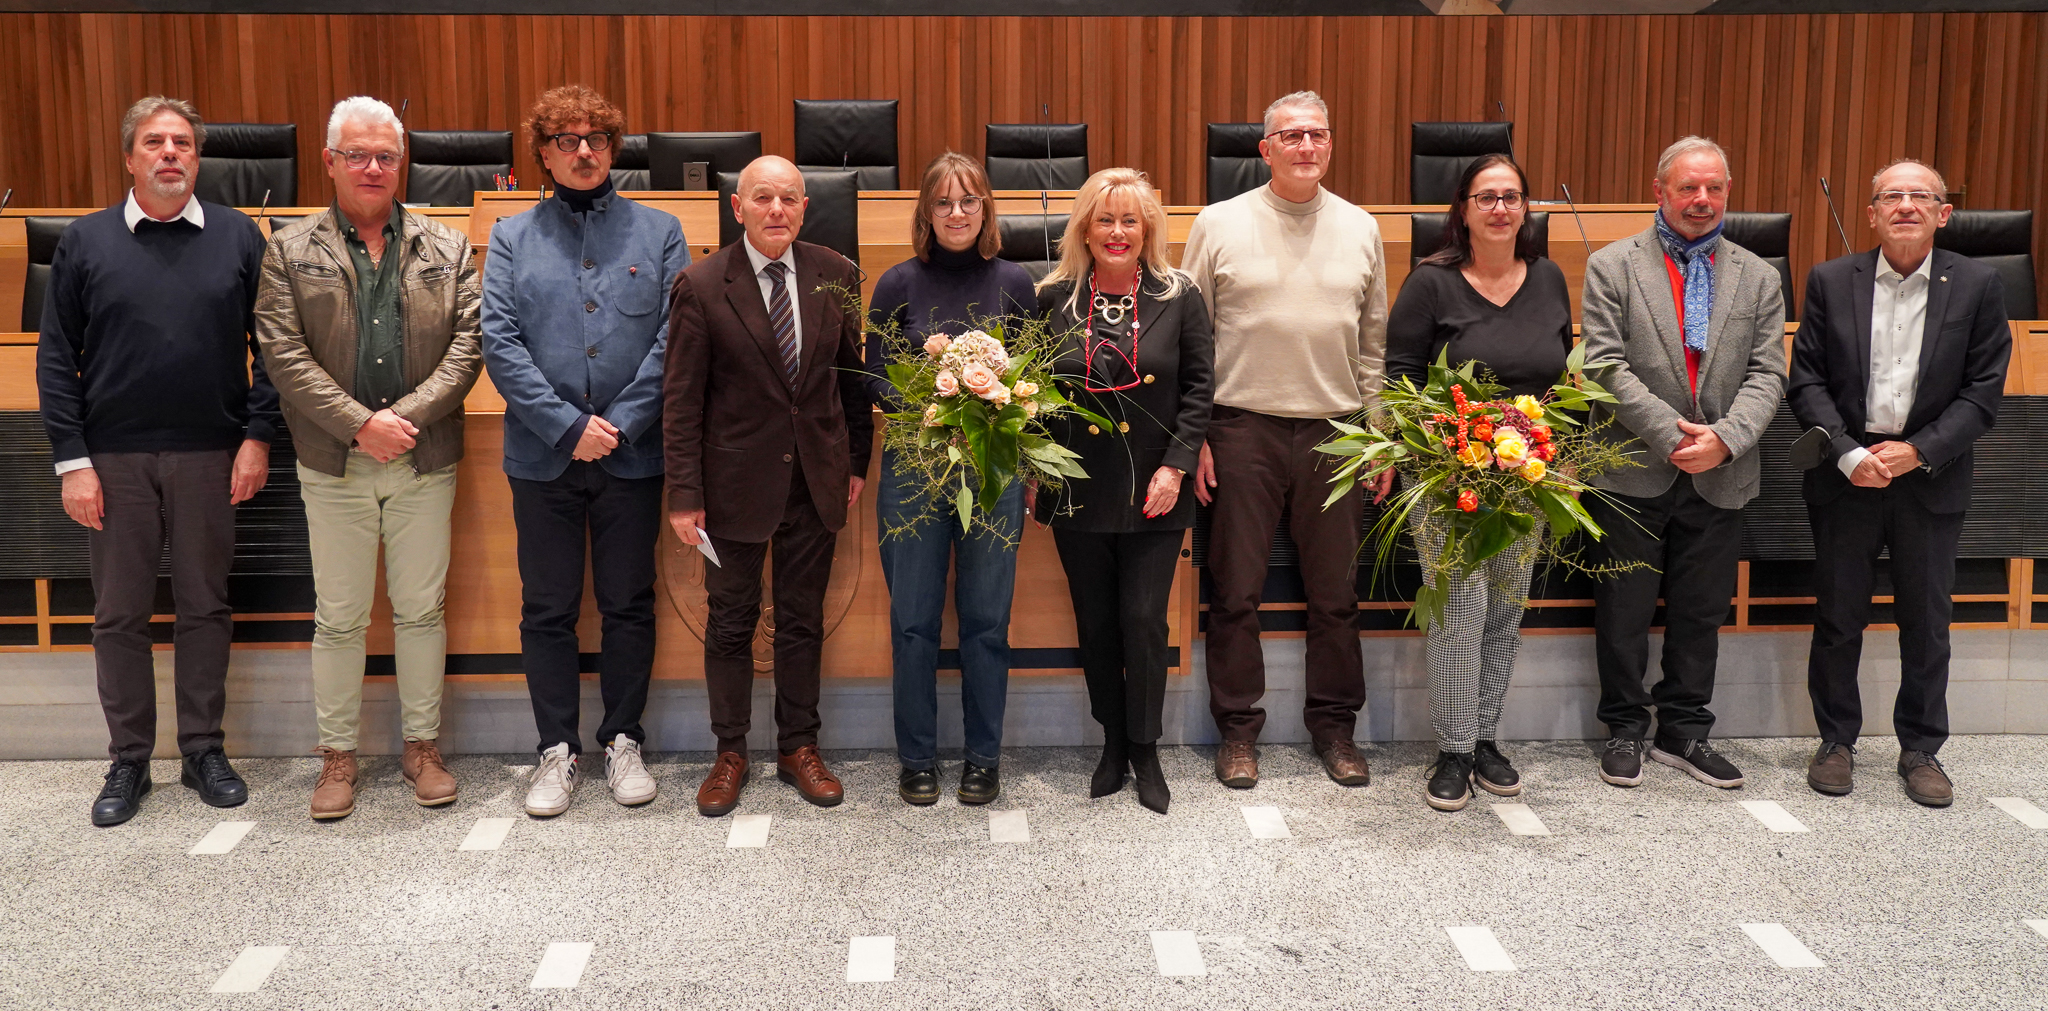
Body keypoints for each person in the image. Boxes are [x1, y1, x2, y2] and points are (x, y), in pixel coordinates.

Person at [38, 95, 276, 827]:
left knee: (205, 605)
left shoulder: (239, 237)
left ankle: (204, 747)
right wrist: (72, 461)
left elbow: (272, 351)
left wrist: (257, 436)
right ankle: (129, 758)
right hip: (113, 460)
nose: (170, 152)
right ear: (130, 156)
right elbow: (54, 359)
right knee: (118, 616)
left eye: (182, 143)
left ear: (198, 158)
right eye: (154, 142)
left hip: (213, 453)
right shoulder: (84, 242)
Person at [255, 97, 482, 820]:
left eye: (386, 154)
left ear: (402, 159)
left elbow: (467, 351)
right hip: (332, 460)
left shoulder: (449, 248)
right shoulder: (288, 249)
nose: (374, 167)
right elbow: (282, 355)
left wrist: (400, 422)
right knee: (340, 615)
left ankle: (422, 747)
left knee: (421, 610)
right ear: (331, 162)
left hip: (423, 456)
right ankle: (338, 757)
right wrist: (359, 425)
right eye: (358, 155)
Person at [482, 85, 691, 817]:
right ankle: (556, 749)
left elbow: (674, 342)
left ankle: (624, 737)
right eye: (566, 140)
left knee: (630, 603)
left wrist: (619, 424)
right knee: (547, 607)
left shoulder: (660, 232)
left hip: (632, 456)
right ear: (541, 151)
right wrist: (568, 428)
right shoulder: (510, 235)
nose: (582, 151)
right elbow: (499, 344)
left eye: (596, 139)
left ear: (613, 148)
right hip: (542, 458)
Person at [1180, 90, 1389, 791]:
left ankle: (1335, 729)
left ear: (1331, 145)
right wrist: (1199, 434)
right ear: (1264, 148)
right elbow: (1192, 338)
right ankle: (1238, 732)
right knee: (1234, 590)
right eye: (1291, 135)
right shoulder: (1217, 223)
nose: (1306, 146)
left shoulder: (1362, 227)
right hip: (1241, 428)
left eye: (1318, 135)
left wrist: (1379, 438)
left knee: (1336, 594)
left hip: (1336, 433)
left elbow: (1373, 346)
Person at [1789, 159, 2010, 807]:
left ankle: (1921, 748)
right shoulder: (1832, 280)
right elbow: (1806, 381)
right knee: (1838, 616)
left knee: (1927, 620)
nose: (1906, 205)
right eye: (1892, 195)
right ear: (1872, 213)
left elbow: (1983, 393)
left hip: (1929, 480)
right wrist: (1850, 453)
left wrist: (1917, 451)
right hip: (1848, 477)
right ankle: (1835, 740)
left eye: (1922, 196)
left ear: (1944, 213)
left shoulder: (1978, 284)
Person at [664, 156, 873, 817]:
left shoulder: (836, 275)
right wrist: (683, 493)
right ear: (738, 208)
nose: (776, 209)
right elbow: (681, 401)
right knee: (729, 623)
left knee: (802, 621)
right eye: (763, 198)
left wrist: (857, 463)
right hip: (729, 489)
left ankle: (797, 746)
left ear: (805, 207)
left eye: (788, 198)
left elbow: (852, 382)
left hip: (816, 480)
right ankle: (730, 752)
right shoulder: (699, 285)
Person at [1579, 136, 1786, 791]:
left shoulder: (1760, 274)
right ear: (1659, 190)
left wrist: (1726, 438)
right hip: (1632, 465)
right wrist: (1672, 433)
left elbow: (1769, 372)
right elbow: (1603, 364)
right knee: (1623, 611)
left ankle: (1685, 730)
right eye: (1688, 187)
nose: (1702, 199)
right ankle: (1623, 727)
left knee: (1701, 612)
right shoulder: (1613, 265)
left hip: (1723, 469)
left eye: (1714, 188)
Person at [1383, 154, 1572, 812]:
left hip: (1525, 473)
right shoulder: (1430, 285)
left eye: (1512, 197)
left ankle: (1486, 735)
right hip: (1447, 474)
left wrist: (1543, 442)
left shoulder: (1548, 278)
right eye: (1486, 197)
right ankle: (1455, 748)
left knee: (1505, 607)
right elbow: (1400, 380)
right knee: (1459, 610)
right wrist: (1449, 448)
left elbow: (1559, 376)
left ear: (1526, 209)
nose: (1500, 208)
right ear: (1461, 209)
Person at [1035, 167, 1214, 815]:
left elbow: (1200, 389)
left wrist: (1177, 465)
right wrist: (1034, 469)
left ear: (1148, 229)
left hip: (1155, 488)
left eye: (1130, 220)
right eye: (1105, 219)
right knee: (1098, 622)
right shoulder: (1051, 297)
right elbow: (1030, 394)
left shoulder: (1180, 295)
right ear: (1084, 226)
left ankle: (1146, 747)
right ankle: (1112, 741)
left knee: (1143, 620)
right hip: (1076, 487)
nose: (1117, 232)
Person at [864, 152, 1036, 807]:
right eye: (943, 203)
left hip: (991, 469)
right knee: (913, 622)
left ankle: (983, 758)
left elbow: (1030, 382)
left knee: (987, 621)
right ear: (925, 213)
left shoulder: (1017, 281)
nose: (957, 213)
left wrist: (990, 418)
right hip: (914, 465)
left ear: (986, 209)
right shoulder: (897, 283)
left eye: (969, 201)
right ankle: (916, 758)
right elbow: (877, 372)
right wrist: (936, 410)